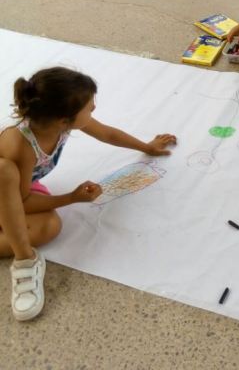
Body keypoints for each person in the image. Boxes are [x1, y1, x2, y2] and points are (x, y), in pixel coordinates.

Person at [0, 67, 177, 321]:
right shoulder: (21, 146)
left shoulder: (55, 123)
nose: (94, 108)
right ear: (64, 120)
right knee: (6, 173)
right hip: (7, 189)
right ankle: (25, 259)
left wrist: (146, 147)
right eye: (89, 108)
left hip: (17, 190)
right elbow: (22, 202)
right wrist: (71, 198)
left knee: (49, 226)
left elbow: (107, 133)